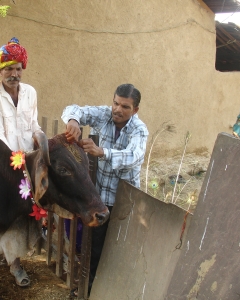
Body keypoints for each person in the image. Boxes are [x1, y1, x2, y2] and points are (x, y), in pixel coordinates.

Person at [61, 83, 148, 296]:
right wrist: (73, 120)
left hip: (123, 200)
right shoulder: (104, 115)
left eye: (125, 107)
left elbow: (134, 156)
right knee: (95, 246)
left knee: (118, 247)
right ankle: (89, 289)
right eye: (115, 103)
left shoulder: (139, 130)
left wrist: (103, 152)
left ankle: (113, 288)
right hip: (100, 198)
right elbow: (74, 109)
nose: (118, 109)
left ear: (135, 110)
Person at [0, 37, 41, 287]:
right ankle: (13, 264)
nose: (14, 74)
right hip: (3, 165)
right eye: (8, 69)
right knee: (5, 213)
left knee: (26, 213)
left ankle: (18, 255)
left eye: (18, 69)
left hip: (26, 163)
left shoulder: (30, 93)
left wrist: (41, 140)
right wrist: (18, 164)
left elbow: (34, 125)